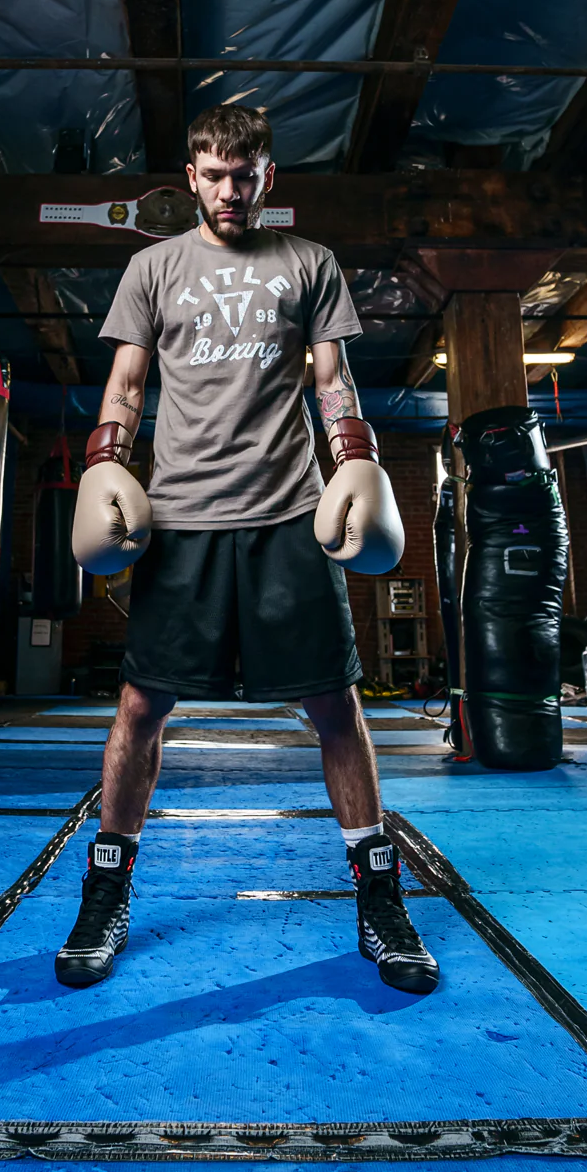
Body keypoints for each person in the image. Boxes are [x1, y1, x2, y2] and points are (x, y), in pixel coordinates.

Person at [56, 104, 438, 996]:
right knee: (142, 705)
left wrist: (355, 457)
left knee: (334, 704)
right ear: (191, 177)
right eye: (216, 176)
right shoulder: (152, 268)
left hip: (288, 514)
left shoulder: (310, 264)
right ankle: (105, 893)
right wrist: (106, 462)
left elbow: (333, 378)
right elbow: (126, 382)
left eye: (246, 175)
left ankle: (380, 900)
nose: (231, 191)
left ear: (270, 176)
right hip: (181, 517)